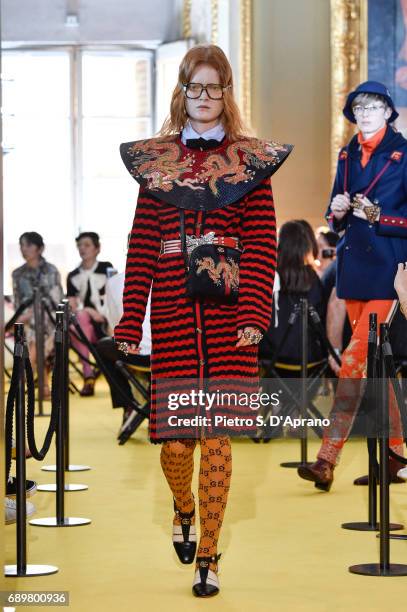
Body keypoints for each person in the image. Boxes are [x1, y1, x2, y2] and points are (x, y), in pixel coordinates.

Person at [114, 44, 292, 597]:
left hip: (230, 322)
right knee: (174, 446)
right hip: (171, 318)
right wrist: (129, 320)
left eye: (215, 88)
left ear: (227, 92)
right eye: (196, 87)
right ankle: (183, 507)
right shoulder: (155, 162)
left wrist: (255, 315)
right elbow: (142, 245)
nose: (205, 97)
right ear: (182, 91)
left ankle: (209, 557)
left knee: (217, 441)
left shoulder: (252, 163)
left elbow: (263, 244)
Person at [298, 81, 407, 491]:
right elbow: (333, 213)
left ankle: (327, 457)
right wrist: (337, 212)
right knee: (378, 370)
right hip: (353, 272)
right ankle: (395, 456)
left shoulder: (404, 154)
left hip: (389, 273)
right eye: (359, 107)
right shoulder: (346, 153)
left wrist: (380, 216)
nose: (365, 113)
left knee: (354, 363)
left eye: (374, 106)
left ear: (388, 112)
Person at [12, 231, 63, 398]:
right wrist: (25, 315)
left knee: (38, 322)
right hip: (27, 321)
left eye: (28, 245)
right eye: (21, 245)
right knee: (33, 327)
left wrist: (32, 313)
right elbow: (18, 303)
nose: (24, 249)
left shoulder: (51, 270)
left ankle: (24, 376)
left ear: (40, 248)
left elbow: (56, 302)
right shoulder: (17, 274)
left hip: (51, 319)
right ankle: (43, 383)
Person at [67, 232, 113, 396]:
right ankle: (88, 374)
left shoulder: (107, 268)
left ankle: (89, 376)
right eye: (79, 245)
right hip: (84, 325)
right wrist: (89, 311)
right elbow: (72, 305)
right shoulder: (73, 275)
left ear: (97, 248)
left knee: (78, 324)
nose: (82, 248)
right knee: (78, 320)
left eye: (86, 245)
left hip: (107, 322)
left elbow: (114, 298)